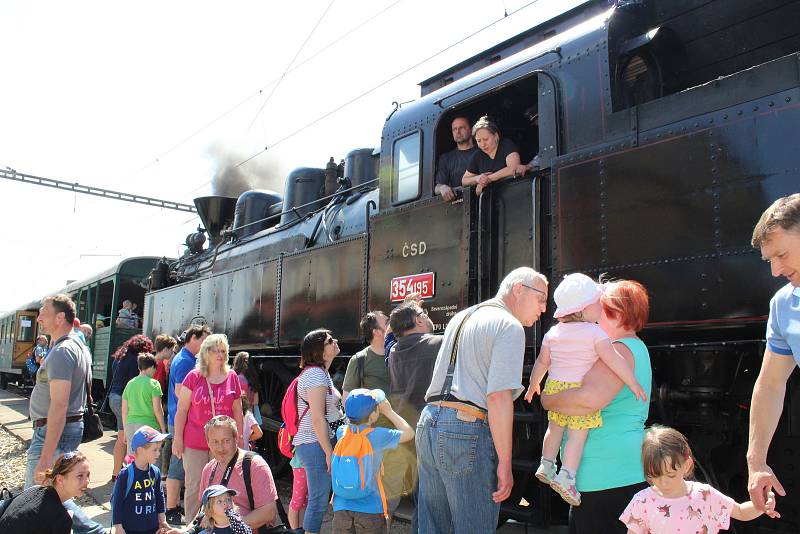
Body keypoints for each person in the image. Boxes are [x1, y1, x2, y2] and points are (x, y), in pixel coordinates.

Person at [416, 267, 548, 533]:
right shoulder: (509, 326)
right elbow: (498, 397)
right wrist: (505, 463)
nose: (544, 308)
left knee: (433, 527)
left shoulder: (461, 317)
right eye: (541, 298)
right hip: (465, 428)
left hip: (428, 422)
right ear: (519, 289)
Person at [539, 279, 653, 533]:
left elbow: (588, 398)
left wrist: (548, 400)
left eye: (599, 305)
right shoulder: (631, 348)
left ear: (617, 314)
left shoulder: (620, 351)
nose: (592, 312)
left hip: (606, 476)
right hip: (611, 473)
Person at [747, 193, 800, 514]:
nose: (776, 270)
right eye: (770, 260)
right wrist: (756, 461)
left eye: (781, 255)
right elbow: (769, 386)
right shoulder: (783, 305)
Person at [620, 426, 778, 533]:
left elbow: (741, 512)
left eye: (670, 474)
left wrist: (761, 504)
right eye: (654, 475)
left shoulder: (704, 494)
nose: (663, 482)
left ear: (687, 464)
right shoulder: (642, 501)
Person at [173, 333, 244, 523]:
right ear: (206, 352)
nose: (219, 354)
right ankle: (192, 525)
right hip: (195, 442)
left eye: (223, 350)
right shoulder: (194, 376)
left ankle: (218, 525)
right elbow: (182, 410)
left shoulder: (232, 377)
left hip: (225, 443)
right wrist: (177, 439)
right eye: (215, 350)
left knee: (222, 486)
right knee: (195, 486)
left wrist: (241, 438)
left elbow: (238, 410)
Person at [385, 301, 440, 530]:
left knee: (420, 496)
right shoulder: (439, 343)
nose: (427, 317)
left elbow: (389, 337)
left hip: (407, 431)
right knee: (433, 500)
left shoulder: (394, 351)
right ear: (418, 320)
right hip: (433, 429)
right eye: (423, 314)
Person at [331, 389, 414, 534]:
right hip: (370, 509)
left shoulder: (342, 432)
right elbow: (409, 433)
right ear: (373, 415)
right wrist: (389, 412)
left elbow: (349, 423)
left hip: (341, 508)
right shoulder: (378, 436)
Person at [293, 329, 345, 534]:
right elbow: (317, 418)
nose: (335, 342)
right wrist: (328, 452)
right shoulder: (316, 375)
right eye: (330, 341)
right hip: (315, 444)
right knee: (318, 500)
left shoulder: (320, 374)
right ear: (318, 350)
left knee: (319, 499)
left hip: (317, 443)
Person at [199, 416, 279, 530]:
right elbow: (204, 511)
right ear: (208, 443)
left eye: (226, 441)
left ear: (236, 438)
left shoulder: (254, 465)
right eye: (215, 442)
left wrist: (229, 528)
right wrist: (186, 531)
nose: (220, 448)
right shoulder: (208, 470)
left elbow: (269, 512)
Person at [166, 324, 211, 524]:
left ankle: (173, 507)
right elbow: (179, 391)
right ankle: (172, 509)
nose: (205, 345)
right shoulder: (186, 361)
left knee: (179, 468)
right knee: (178, 468)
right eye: (203, 340)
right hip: (181, 420)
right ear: (193, 337)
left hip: (178, 418)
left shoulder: (183, 357)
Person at [0, 451, 92, 534]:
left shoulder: (35, 490)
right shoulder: (60, 518)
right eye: (80, 476)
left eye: (88, 475)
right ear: (60, 479)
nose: (87, 481)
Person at [111, 426, 179, 534]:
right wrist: (118, 526)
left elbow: (159, 496)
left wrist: (162, 518)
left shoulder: (155, 472)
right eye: (154, 450)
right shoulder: (126, 474)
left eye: (159, 449)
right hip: (130, 529)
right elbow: (117, 502)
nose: (158, 454)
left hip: (152, 527)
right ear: (140, 450)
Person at [110, 334, 155, 480]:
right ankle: (127, 473)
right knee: (127, 438)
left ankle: (116, 473)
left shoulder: (120, 356)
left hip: (114, 397)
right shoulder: (135, 361)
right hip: (124, 399)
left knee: (121, 436)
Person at [461, 115, 521, 196]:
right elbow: (464, 180)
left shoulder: (506, 144)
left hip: (515, 193)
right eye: (479, 141)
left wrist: (487, 179)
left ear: (496, 136)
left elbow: (514, 168)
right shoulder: (478, 155)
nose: (483, 144)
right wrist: (478, 178)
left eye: (486, 139)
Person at [122, 353, 167, 454]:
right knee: (151, 459)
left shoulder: (130, 384)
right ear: (151, 367)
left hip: (130, 426)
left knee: (133, 459)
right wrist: (163, 430)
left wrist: (125, 430)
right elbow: (158, 410)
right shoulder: (154, 384)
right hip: (148, 427)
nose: (155, 372)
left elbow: (124, 411)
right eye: (155, 369)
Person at [342, 311, 390, 403]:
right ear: (377, 332)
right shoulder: (359, 360)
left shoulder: (400, 353)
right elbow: (346, 401)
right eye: (388, 322)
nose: (392, 325)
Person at [435, 116, 477, 201]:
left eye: (461, 128)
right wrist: (442, 188)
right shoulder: (446, 158)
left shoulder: (482, 151)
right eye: (454, 129)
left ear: (471, 129)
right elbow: (436, 188)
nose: (458, 132)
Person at [233, 351, 262, 426]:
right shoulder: (253, 381)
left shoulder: (237, 379)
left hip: (239, 416)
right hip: (250, 415)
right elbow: (255, 402)